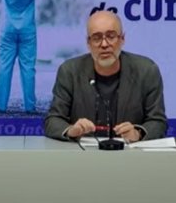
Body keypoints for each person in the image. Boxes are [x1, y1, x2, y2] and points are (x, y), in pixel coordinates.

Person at [44, 11, 167, 142]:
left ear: (122, 39)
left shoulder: (146, 71)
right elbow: (52, 121)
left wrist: (137, 133)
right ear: (88, 43)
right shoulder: (69, 71)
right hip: (83, 156)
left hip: (130, 156)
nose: (104, 44)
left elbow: (158, 122)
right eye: (97, 38)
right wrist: (71, 130)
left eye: (111, 36)